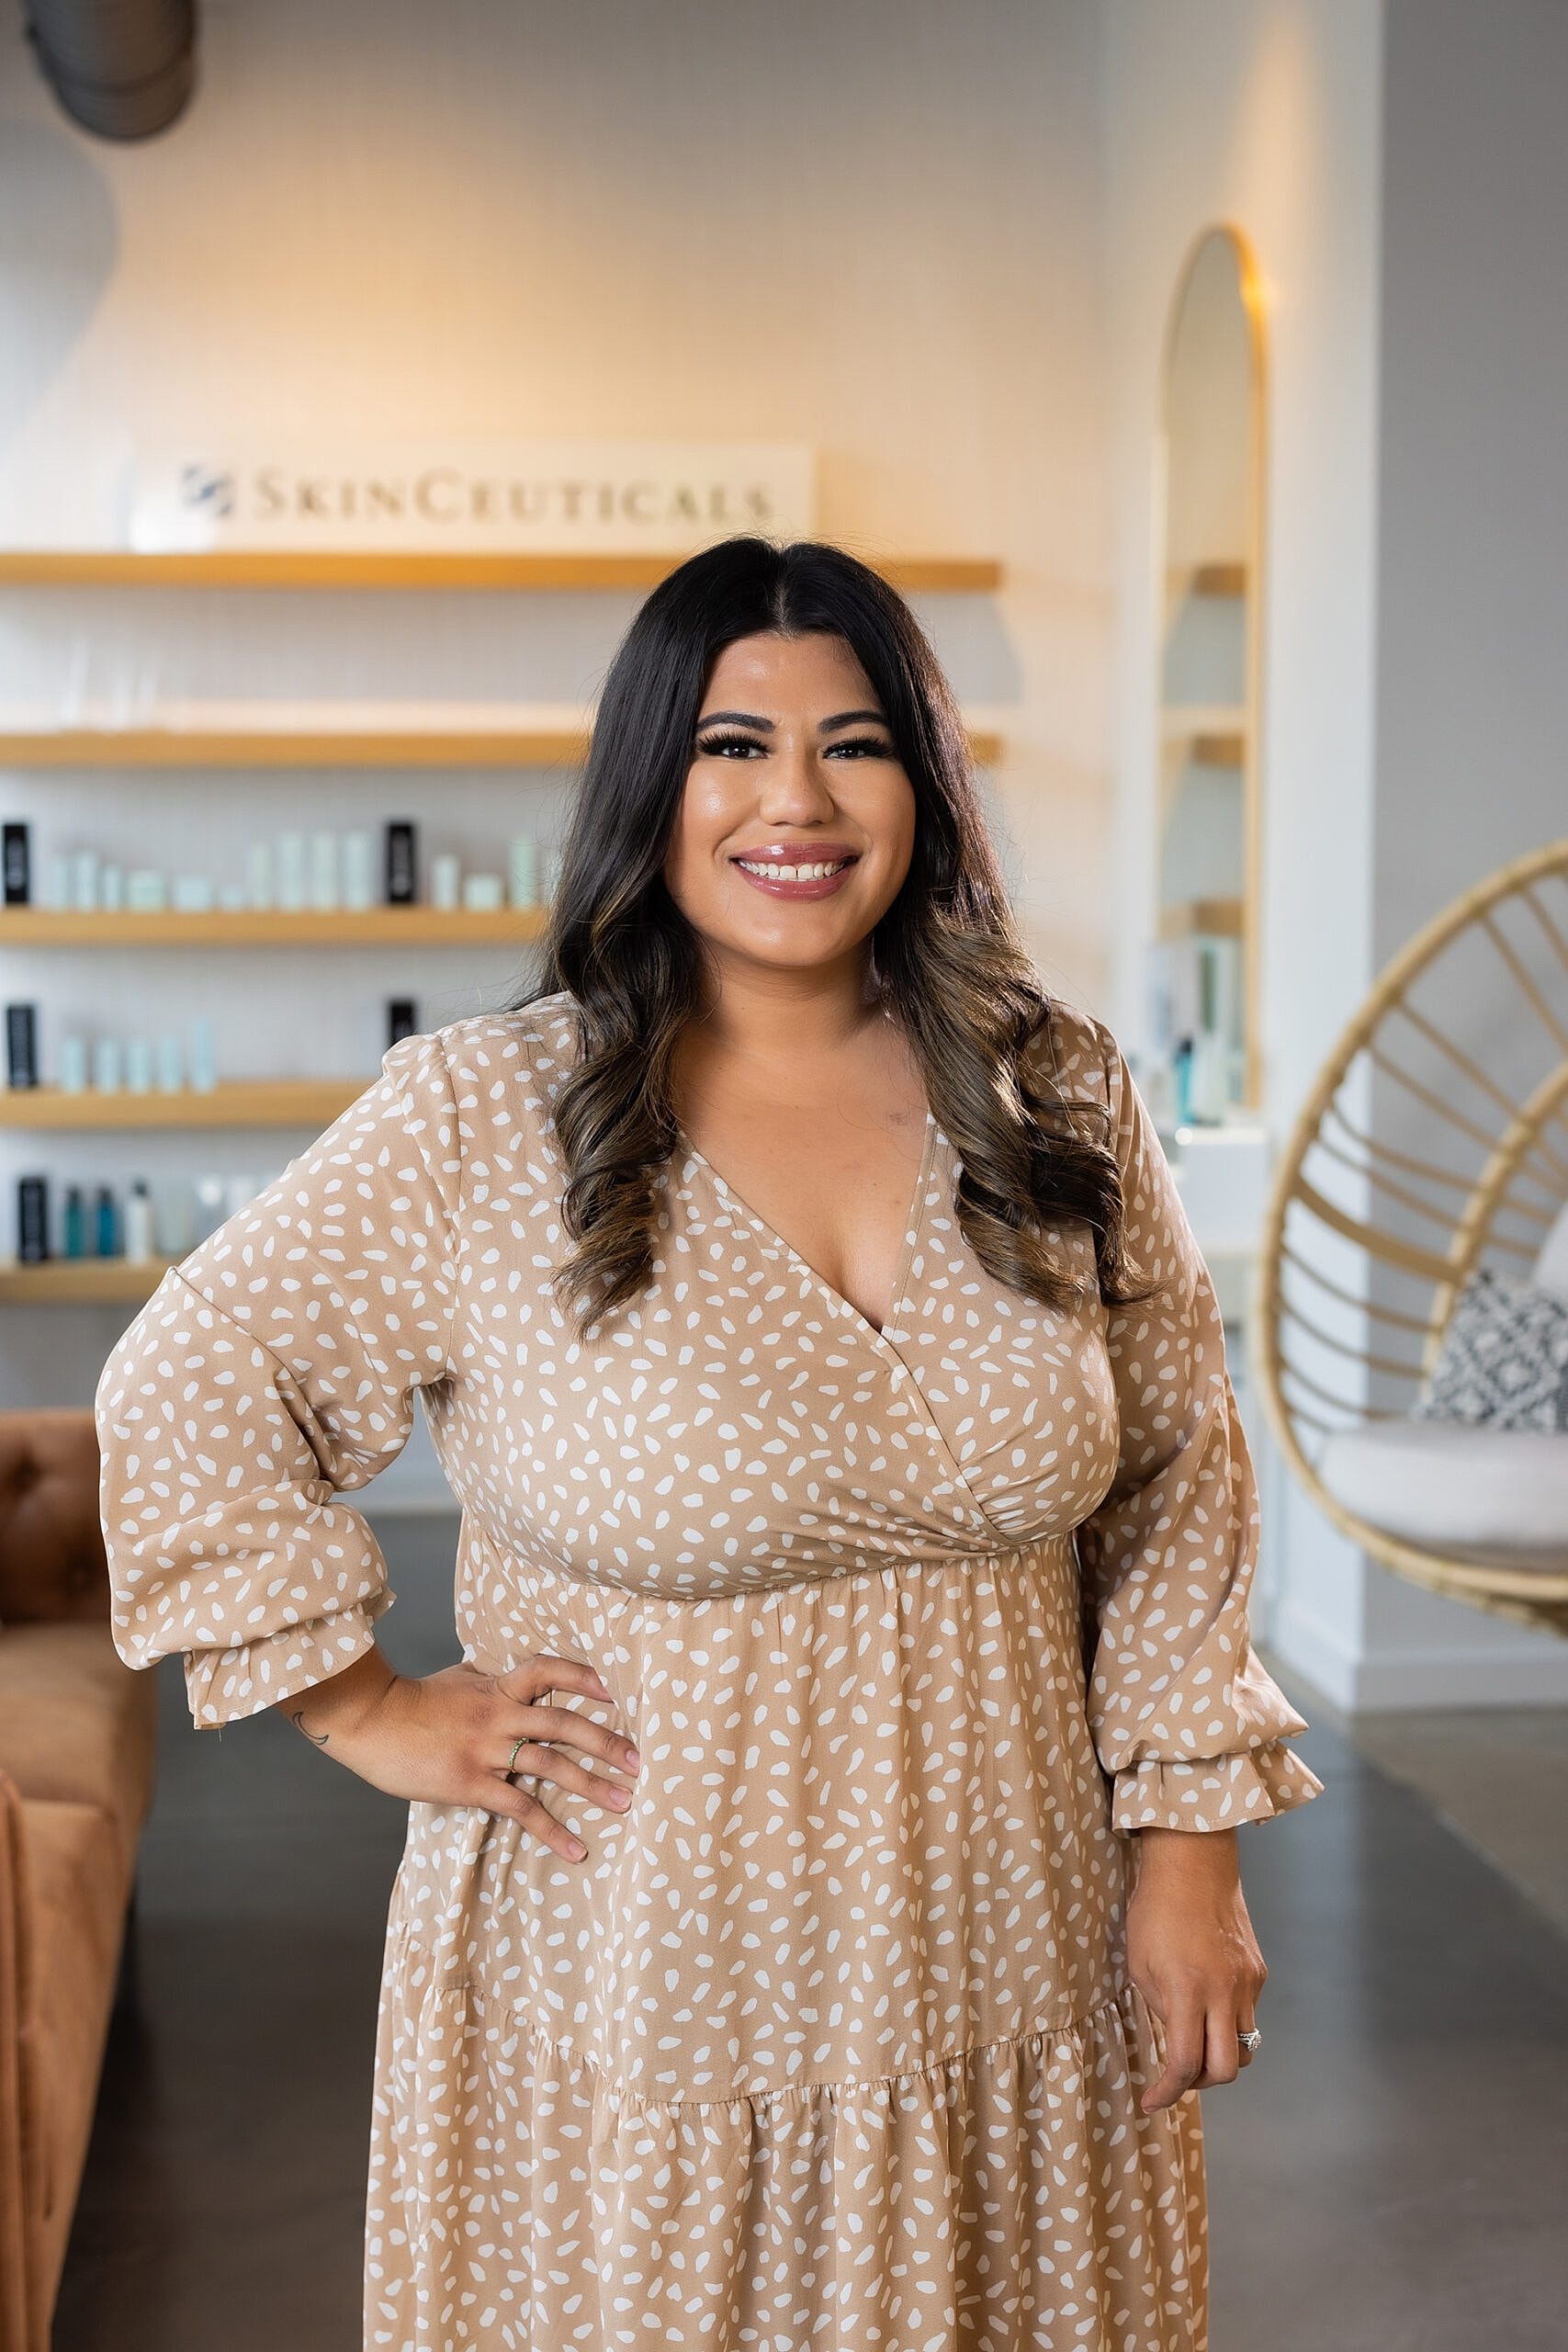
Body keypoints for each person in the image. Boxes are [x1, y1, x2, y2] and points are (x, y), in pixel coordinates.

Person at [96, 536, 1324, 2352]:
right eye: (731, 745)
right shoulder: (489, 1113)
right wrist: (362, 1706)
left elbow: (1168, 1473)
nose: (796, 802)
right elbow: (183, 1387)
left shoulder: (1052, 1088)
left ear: (921, 776)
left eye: (854, 742)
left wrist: (1187, 1848)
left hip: (1016, 1961)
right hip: (646, 1990)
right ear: (650, 783)